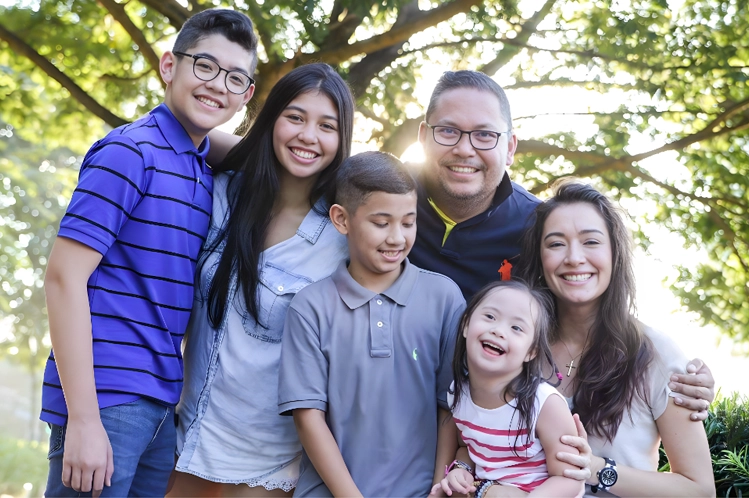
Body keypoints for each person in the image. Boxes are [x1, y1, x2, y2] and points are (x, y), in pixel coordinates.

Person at [406, 69, 716, 420]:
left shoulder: (540, 228)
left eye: (484, 135)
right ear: (423, 137)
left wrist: (675, 368)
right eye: (448, 131)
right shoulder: (385, 200)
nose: (464, 149)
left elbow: (589, 302)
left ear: (509, 148)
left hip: (479, 428)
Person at [40, 9, 256, 496]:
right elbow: (63, 279)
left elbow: (261, 152)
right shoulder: (129, 153)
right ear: (168, 66)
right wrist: (85, 420)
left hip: (161, 404)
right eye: (204, 65)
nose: (217, 85)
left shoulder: (202, 168)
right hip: (107, 400)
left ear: (246, 96)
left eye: (235, 78)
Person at [167, 63, 355, 497]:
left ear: (342, 140)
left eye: (327, 126)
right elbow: (180, 133)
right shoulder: (220, 194)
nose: (309, 136)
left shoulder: (342, 242)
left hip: (265, 465)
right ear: (270, 120)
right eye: (295, 117)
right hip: (182, 441)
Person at [277, 151, 466, 497]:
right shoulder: (311, 307)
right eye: (381, 223)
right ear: (341, 219)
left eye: (408, 222)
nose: (397, 238)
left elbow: (451, 407)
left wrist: (440, 487)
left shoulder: (444, 297)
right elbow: (308, 417)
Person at [516, 180, 716, 497]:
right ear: (540, 260)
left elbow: (699, 490)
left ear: (615, 254)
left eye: (591, 242)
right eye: (555, 244)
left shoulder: (655, 353)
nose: (574, 257)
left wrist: (596, 470)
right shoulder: (520, 348)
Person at [432, 280, 584, 498]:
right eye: (490, 317)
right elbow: (470, 448)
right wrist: (461, 470)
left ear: (532, 351)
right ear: (466, 324)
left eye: (516, 328)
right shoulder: (459, 393)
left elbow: (570, 479)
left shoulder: (544, 404)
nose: (498, 331)